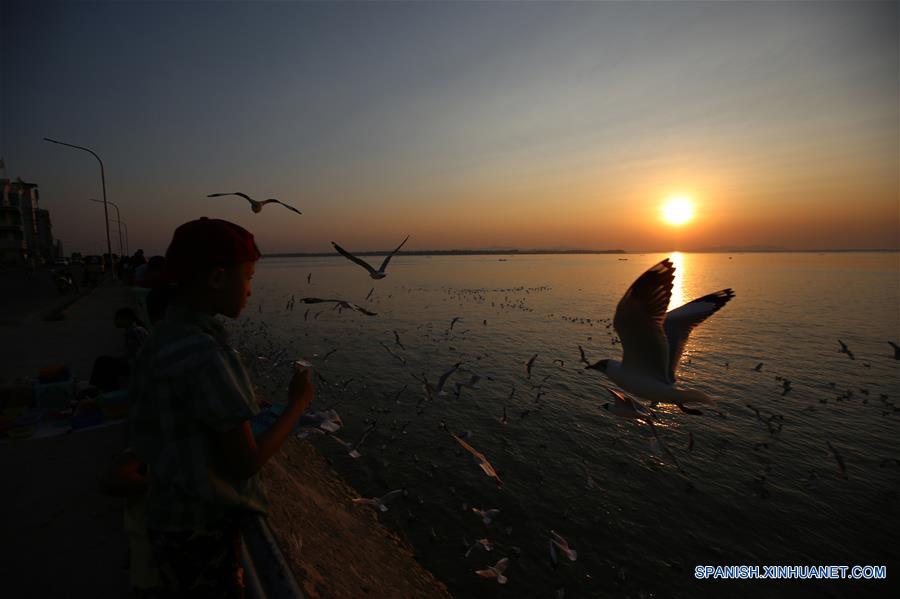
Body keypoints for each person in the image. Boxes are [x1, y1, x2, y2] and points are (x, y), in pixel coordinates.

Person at [129, 217, 314, 597]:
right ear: (217, 278)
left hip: (166, 518)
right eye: (247, 278)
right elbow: (243, 463)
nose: (249, 291)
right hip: (201, 530)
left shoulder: (161, 338)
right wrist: (297, 406)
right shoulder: (206, 352)